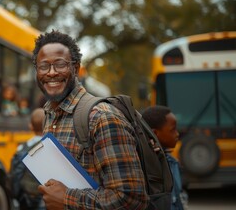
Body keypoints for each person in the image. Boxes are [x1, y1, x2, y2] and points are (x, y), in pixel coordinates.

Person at [33, 30, 148, 209]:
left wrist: (66, 199)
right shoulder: (49, 114)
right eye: (43, 66)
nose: (52, 72)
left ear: (76, 68)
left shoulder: (102, 117)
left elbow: (131, 199)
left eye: (60, 64)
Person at [142, 105, 187, 210]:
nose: (177, 134)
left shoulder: (173, 162)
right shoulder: (146, 166)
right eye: (173, 130)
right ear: (155, 133)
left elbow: (178, 198)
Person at [13, 108, 46, 210]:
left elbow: (16, 174)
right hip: (44, 196)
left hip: (26, 195)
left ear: (30, 126)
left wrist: (16, 194)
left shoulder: (21, 148)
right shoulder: (49, 148)